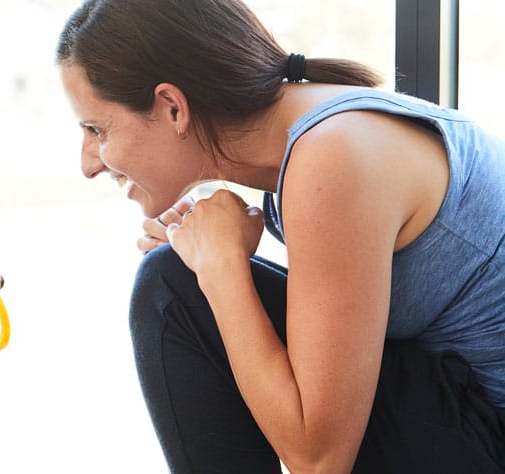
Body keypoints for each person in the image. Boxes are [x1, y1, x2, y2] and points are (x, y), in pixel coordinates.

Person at [56, 1, 505, 472]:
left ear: (172, 107)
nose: (89, 163)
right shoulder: (320, 131)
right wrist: (209, 260)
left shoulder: (333, 154)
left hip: (489, 436)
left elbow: (320, 460)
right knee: (179, 281)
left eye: (95, 129)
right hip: (463, 414)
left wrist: (221, 270)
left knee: (170, 287)